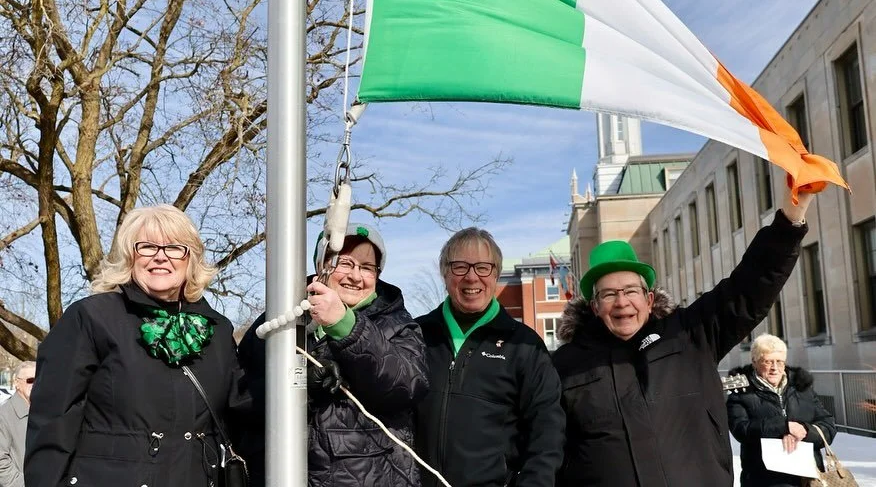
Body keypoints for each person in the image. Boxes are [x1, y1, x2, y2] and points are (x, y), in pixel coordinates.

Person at [552, 180, 814, 487]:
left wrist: (790, 220)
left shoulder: (690, 333)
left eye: (631, 291)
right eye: (608, 294)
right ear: (595, 307)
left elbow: (750, 286)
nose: (621, 302)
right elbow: (546, 448)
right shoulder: (566, 365)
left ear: (649, 299)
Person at [25, 205, 248, 487]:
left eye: (174, 248)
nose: (160, 256)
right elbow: (51, 424)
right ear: (129, 256)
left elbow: (243, 412)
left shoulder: (217, 330)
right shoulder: (92, 318)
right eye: (147, 247)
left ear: (191, 258)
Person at [238, 223, 429, 487]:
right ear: (322, 265)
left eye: (367, 267)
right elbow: (241, 395)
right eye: (345, 263)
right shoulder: (280, 317)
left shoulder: (398, 324)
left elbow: (406, 385)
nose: (356, 276)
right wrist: (300, 387)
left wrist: (346, 326)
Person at [415, 227, 565, 487]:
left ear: (496, 274)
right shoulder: (415, 336)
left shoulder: (525, 345)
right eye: (460, 267)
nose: (472, 277)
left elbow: (547, 434)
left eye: (483, 267)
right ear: (445, 273)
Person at [727, 334, 836, 487]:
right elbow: (741, 429)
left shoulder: (801, 387)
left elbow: (828, 426)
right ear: (754, 362)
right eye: (768, 361)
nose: (774, 367)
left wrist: (804, 431)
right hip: (764, 480)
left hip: (808, 480)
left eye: (779, 361)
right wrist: (783, 427)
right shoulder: (741, 392)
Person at [0, 361, 35, 487]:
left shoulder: (46, 412)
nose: (36, 384)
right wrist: (26, 483)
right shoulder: (4, 415)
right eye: (30, 380)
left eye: (40, 379)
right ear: (16, 383)